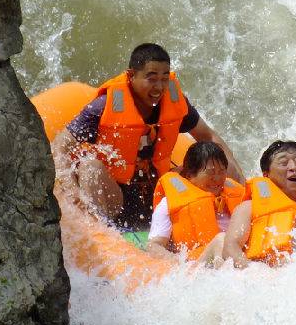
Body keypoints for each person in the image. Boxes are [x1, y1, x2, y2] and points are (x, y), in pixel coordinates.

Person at [61, 43, 244, 229]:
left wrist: (241, 185)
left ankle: (230, 215)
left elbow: (209, 136)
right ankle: (101, 232)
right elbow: (60, 147)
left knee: (213, 161)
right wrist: (73, 192)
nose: (159, 87)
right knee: (89, 167)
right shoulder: (103, 106)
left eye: (165, 78)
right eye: (151, 78)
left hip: (161, 192)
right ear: (132, 76)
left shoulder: (175, 102)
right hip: (117, 197)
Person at [223, 139, 296, 268]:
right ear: (266, 175)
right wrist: (256, 275)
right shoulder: (248, 208)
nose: (294, 167)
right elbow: (230, 249)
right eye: (283, 163)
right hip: (271, 280)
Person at [147, 142, 245, 264]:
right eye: (211, 172)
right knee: (221, 240)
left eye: (222, 171)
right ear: (189, 174)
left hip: (237, 257)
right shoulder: (169, 204)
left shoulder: (240, 198)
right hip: (198, 264)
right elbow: (154, 246)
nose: (218, 178)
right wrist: (180, 267)